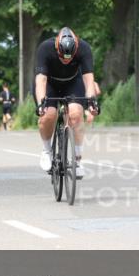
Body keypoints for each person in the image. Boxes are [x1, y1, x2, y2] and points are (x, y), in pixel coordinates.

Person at [34, 27, 98, 177]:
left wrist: (92, 101)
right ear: (57, 47)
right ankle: (46, 150)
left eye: (70, 58)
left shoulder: (84, 48)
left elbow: (88, 79)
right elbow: (41, 80)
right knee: (48, 115)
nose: (66, 60)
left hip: (72, 82)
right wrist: (41, 103)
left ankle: (77, 160)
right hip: (49, 83)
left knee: (76, 114)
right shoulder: (45, 48)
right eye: (63, 57)